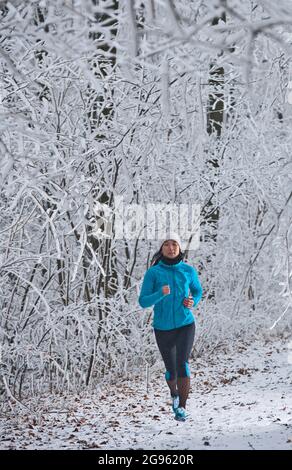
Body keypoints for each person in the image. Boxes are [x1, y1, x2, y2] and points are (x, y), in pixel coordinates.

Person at [138, 233, 203, 422]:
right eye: (166, 244)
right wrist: (159, 293)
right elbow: (143, 301)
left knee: (182, 364)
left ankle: (182, 407)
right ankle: (173, 393)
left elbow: (197, 290)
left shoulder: (188, 271)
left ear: (180, 248)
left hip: (185, 324)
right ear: (162, 249)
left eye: (174, 244)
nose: (171, 247)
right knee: (171, 370)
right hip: (163, 328)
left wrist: (193, 301)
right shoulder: (153, 273)